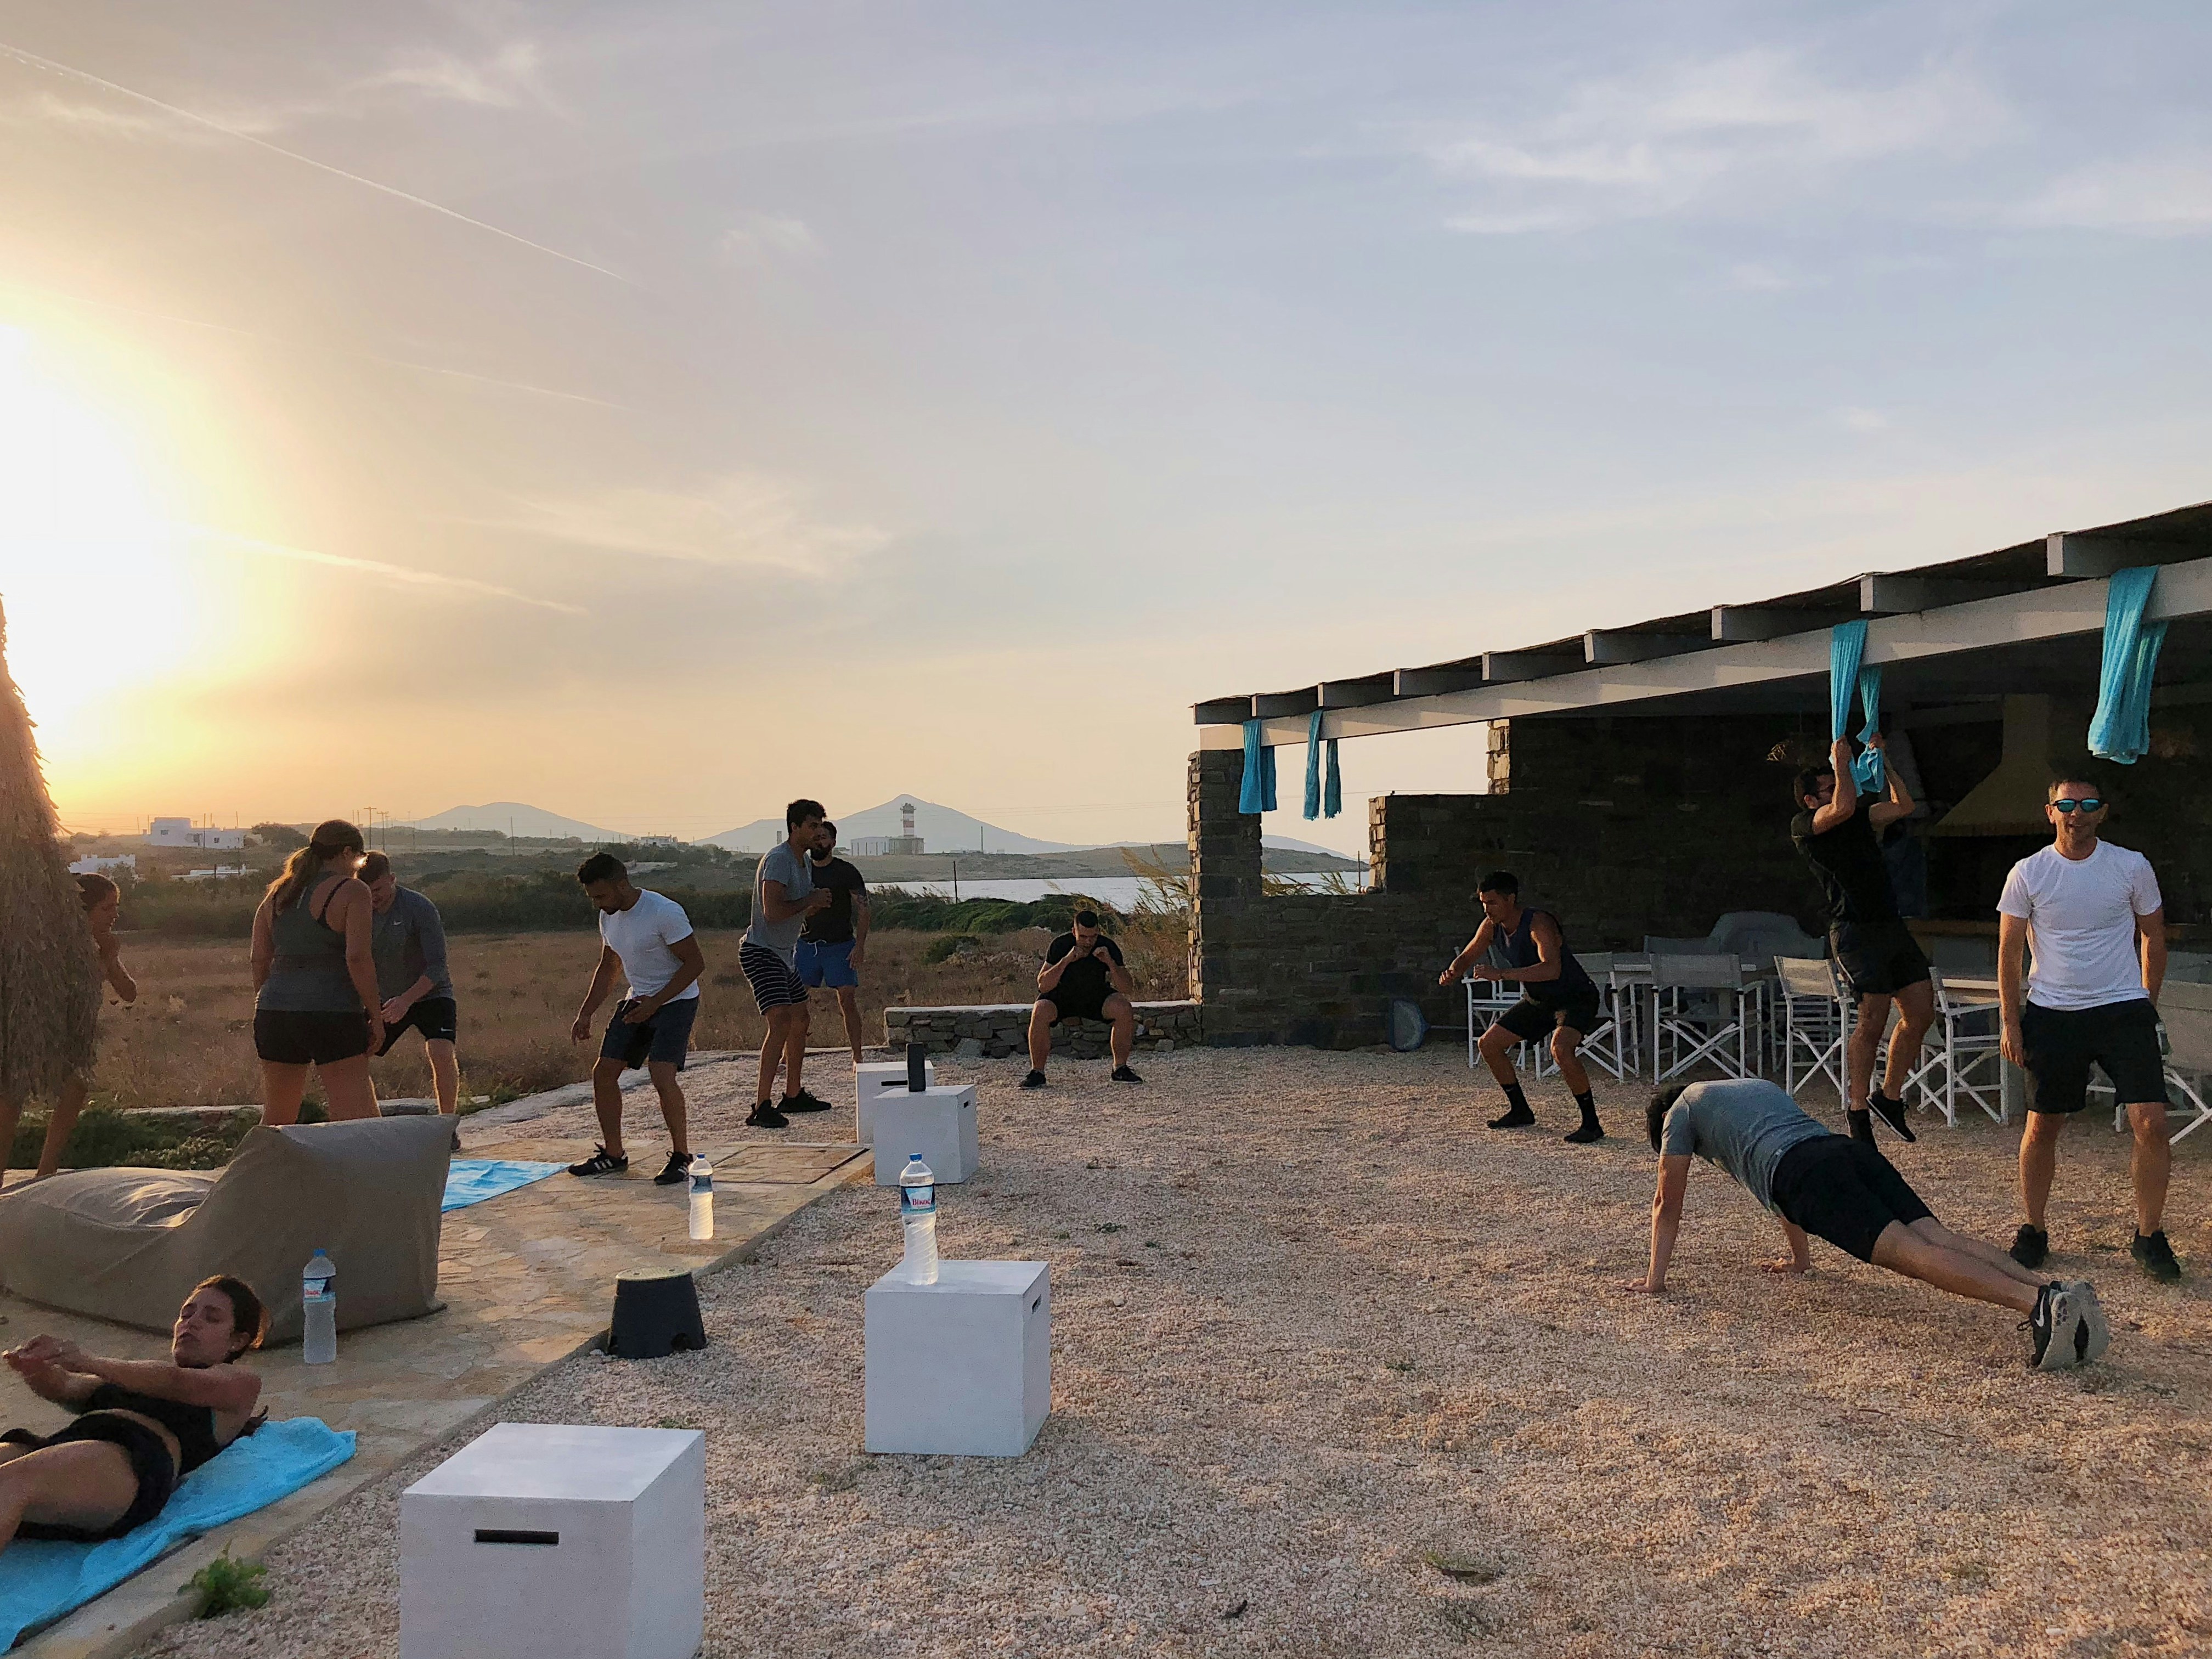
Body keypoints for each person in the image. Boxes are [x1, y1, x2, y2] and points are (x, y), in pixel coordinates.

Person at [1627, 1080, 2107, 1372]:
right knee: (1937, 1236)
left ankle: (2036, 1306)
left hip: (1806, 1176)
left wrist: (1655, 1280)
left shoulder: (1681, 1111)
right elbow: (1778, 1188)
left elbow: (1667, 1201)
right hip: (1844, 1151)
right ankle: (2054, 1291)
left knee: (1912, 1255)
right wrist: (1799, 1259)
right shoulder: (1751, 1088)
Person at [1998, 775, 2182, 1283]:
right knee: (2043, 1125)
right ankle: (2034, 1228)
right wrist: (2011, 1021)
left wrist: (2146, 1002)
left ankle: (2149, 1235)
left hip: (2122, 1008)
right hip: (2053, 1011)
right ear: (2050, 812)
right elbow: (2010, 952)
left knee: (2152, 1123)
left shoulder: (2130, 866)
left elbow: (2153, 936)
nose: (2076, 814)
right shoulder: (2029, 872)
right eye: (2066, 805)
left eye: (2088, 804)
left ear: (2102, 812)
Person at [2, 1277, 267, 1550]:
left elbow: (176, 1381)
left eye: (212, 1318)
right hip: (70, 1445)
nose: (192, 1322)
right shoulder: (135, 1378)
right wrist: (36, 1369)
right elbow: (66, 1387)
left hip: (133, 1459)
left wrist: (87, 1361)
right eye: (186, 1314)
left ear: (237, 1341)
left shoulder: (239, 1382)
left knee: (10, 1483)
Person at [1791, 733, 1927, 1145]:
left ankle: (1889, 1096)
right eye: (1828, 787)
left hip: (1890, 925)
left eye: (1837, 783)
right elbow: (1843, 806)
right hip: (1854, 931)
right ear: (1811, 800)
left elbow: (1904, 806)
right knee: (1872, 1018)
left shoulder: (1860, 818)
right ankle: (1857, 1107)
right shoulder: (1806, 827)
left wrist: (1885, 763)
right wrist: (1841, 763)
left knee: (1920, 1013)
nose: (1838, 788)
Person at [1438, 871, 1606, 1144]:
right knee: (1488, 1044)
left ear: (1510, 899)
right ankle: (1520, 1110)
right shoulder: (1491, 926)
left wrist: (1501, 975)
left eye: (1492, 903)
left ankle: (1591, 1124)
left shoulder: (1538, 923)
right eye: (1483, 903)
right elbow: (1469, 954)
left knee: (1561, 1049)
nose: (1487, 909)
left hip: (1575, 998)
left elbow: (1551, 969)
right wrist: (1452, 972)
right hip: (1539, 1001)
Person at [568, 853, 706, 1183]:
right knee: (603, 1073)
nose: (598, 904)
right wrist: (586, 1012)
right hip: (638, 999)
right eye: (592, 898)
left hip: (676, 1000)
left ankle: (681, 1157)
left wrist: (657, 1003)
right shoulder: (608, 917)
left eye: (601, 896)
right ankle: (614, 1154)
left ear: (621, 885)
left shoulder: (664, 912)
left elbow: (695, 964)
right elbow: (610, 966)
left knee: (662, 1073)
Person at [0, 873, 138, 1180]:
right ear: (82, 911)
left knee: (76, 1085)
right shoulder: (53, 944)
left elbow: (129, 993)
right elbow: (57, 988)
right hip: (34, 1029)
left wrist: (110, 959)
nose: (114, 915)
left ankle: (46, 1171)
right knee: (12, 1095)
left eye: (116, 907)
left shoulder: (102, 946)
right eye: (106, 908)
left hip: (73, 1036)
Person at [250, 820, 382, 1125]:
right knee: (354, 1117)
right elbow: (358, 958)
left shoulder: (277, 894)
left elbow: (258, 959)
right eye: (360, 859)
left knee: (278, 1118)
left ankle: (261, 1159)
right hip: (332, 1011)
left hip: (274, 1012)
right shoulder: (352, 891)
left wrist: (270, 1000)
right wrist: (376, 1015)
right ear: (347, 852)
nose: (359, 867)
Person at [739, 800, 836, 1128]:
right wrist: (810, 900)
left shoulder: (803, 861)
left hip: (785, 952)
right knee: (780, 1021)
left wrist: (813, 905)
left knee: (800, 1018)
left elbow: (794, 908)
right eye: (812, 826)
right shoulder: (780, 860)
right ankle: (761, 1105)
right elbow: (773, 911)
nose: (818, 831)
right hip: (761, 951)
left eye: (820, 825)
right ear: (794, 828)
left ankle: (793, 1094)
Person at [360, 853, 460, 1114]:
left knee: (440, 1051)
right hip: (385, 997)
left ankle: (446, 1122)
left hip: (431, 992)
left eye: (378, 890)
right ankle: (371, 1122)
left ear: (392, 879)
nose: (373, 897)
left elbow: (438, 965)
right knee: (355, 1058)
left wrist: (406, 1001)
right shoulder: (357, 911)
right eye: (367, 891)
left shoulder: (419, 907)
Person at [1022, 910, 1142, 1088]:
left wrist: (1110, 963)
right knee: (1040, 1009)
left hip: (1094, 996)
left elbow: (1127, 988)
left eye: (1093, 937)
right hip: (1062, 996)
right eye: (1083, 937)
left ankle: (1120, 1069)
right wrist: (1066, 961)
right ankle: (1037, 1073)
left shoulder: (1107, 946)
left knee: (1123, 1008)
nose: (1088, 942)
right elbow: (1043, 985)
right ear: (1074, 932)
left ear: (1098, 932)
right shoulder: (1061, 945)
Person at [795, 821, 871, 1066]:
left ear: (833, 842)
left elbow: (864, 909)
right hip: (807, 945)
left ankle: (857, 1056)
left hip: (840, 945)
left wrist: (859, 946)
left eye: (823, 837)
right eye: (815, 837)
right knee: (795, 1002)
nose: (819, 842)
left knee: (847, 999)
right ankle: (791, 1055)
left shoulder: (846, 871)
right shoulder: (801, 870)